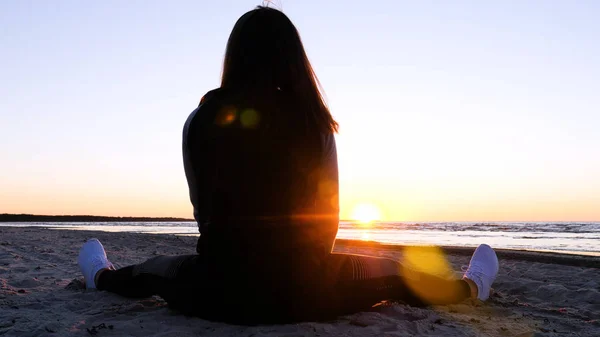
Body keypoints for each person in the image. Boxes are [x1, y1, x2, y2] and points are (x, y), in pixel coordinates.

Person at [78, 6, 499, 324]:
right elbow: (326, 224)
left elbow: (203, 210)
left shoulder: (198, 120)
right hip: (305, 295)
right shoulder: (314, 124)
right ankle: (471, 286)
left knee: (153, 270)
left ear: (234, 56)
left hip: (217, 294)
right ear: (294, 59)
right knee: (398, 273)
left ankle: (100, 276)